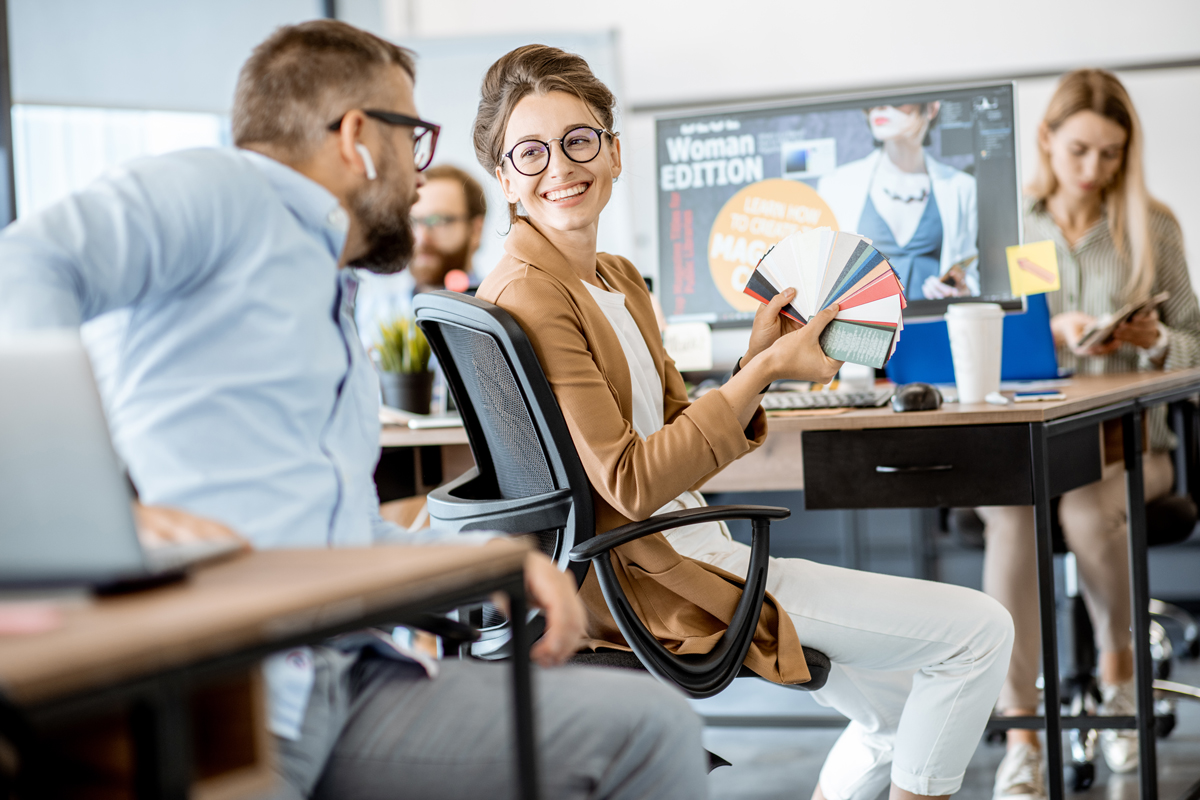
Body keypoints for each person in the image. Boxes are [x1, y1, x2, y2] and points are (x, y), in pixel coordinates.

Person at [0, 21, 708, 800]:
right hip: (239, 691)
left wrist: (495, 564)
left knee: (650, 730)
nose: (419, 178)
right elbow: (25, 267)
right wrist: (92, 511)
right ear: (360, 138)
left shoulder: (324, 288)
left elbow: (342, 536)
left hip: (347, 670)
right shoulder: (219, 189)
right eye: (417, 140)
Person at [474, 44, 1014, 800]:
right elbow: (631, 483)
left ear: (614, 151)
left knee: (894, 716)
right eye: (528, 152)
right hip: (659, 573)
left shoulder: (614, 277)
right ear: (503, 177)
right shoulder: (531, 294)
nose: (559, 167)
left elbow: (667, 431)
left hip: (680, 541)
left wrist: (750, 363)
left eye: (579, 140)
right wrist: (763, 375)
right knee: (980, 631)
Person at [978, 68, 1200, 800]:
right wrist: (1056, 332)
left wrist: (1154, 337)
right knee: (1014, 509)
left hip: (1131, 447)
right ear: (1047, 140)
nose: (1093, 169)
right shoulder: (1010, 226)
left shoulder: (1151, 225)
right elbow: (973, 336)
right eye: (1079, 150)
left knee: (1080, 505)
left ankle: (1119, 676)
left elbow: (1196, 342)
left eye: (1109, 154)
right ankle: (1022, 735)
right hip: (1030, 443)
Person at [817, 103, 978, 300]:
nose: (880, 106)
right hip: (868, 329)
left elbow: (970, 272)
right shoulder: (836, 186)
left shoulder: (961, 187)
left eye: (898, 98)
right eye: (872, 99)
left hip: (936, 326)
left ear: (931, 107)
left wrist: (963, 291)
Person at [355, 163, 487, 352]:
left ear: (475, 230)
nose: (421, 237)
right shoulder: (378, 306)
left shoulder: (495, 311)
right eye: (413, 221)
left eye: (439, 220)